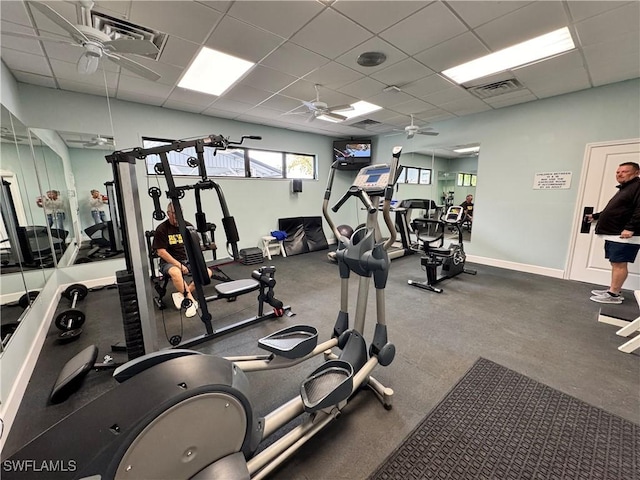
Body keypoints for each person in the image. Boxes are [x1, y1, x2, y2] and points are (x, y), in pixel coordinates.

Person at [586, 161, 640, 304]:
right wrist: (597, 216)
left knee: (619, 263)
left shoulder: (637, 187)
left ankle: (613, 295)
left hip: (624, 235)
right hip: (615, 234)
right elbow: (618, 209)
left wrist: (630, 227)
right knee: (616, 262)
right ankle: (614, 289)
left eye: (624, 171)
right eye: (618, 172)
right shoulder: (626, 188)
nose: (619, 174)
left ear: (636, 173)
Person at [152, 203, 214, 318]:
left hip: (187, 261)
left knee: (208, 273)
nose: (177, 217)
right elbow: (161, 252)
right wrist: (178, 265)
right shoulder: (162, 229)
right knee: (175, 272)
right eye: (174, 214)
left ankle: (181, 294)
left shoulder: (187, 226)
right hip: (168, 263)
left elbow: (194, 245)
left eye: (179, 214)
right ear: (168, 214)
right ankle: (191, 301)